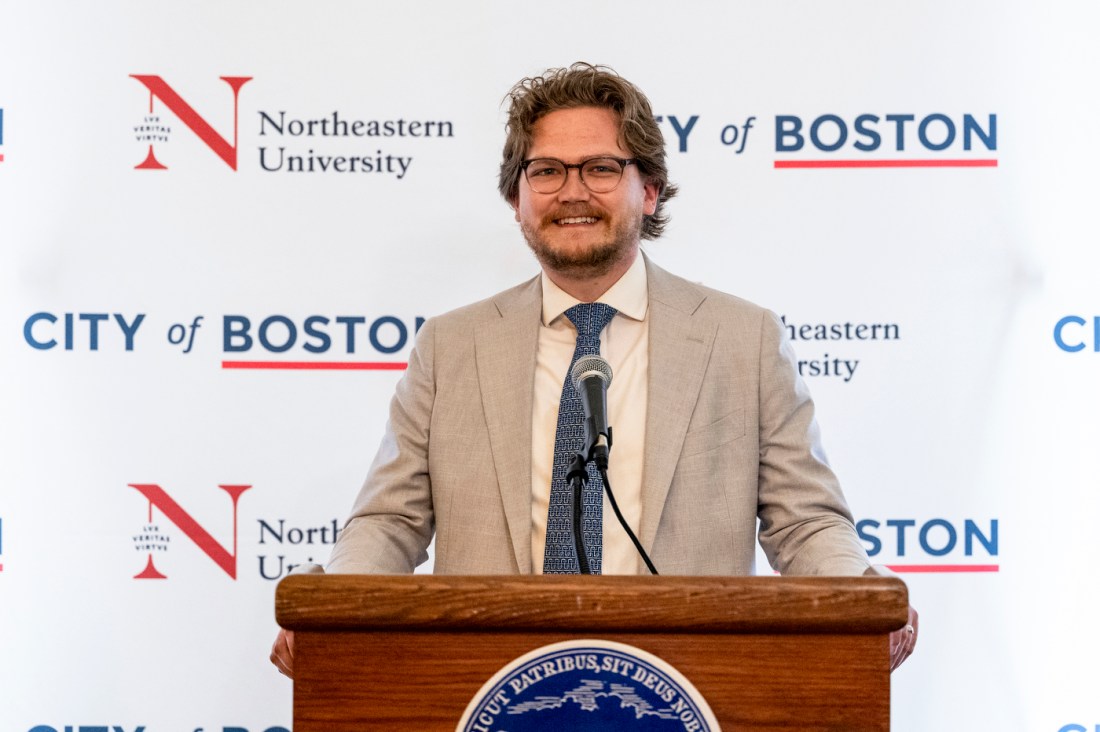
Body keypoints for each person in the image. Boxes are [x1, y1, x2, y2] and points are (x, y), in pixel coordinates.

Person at [271, 62, 917, 677]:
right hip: (490, 690)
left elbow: (805, 521)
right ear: (517, 198)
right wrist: (332, 608)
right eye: (547, 170)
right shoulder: (450, 347)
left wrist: (861, 598)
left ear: (650, 188)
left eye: (602, 168)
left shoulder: (742, 341)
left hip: (685, 691)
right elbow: (391, 522)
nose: (572, 191)